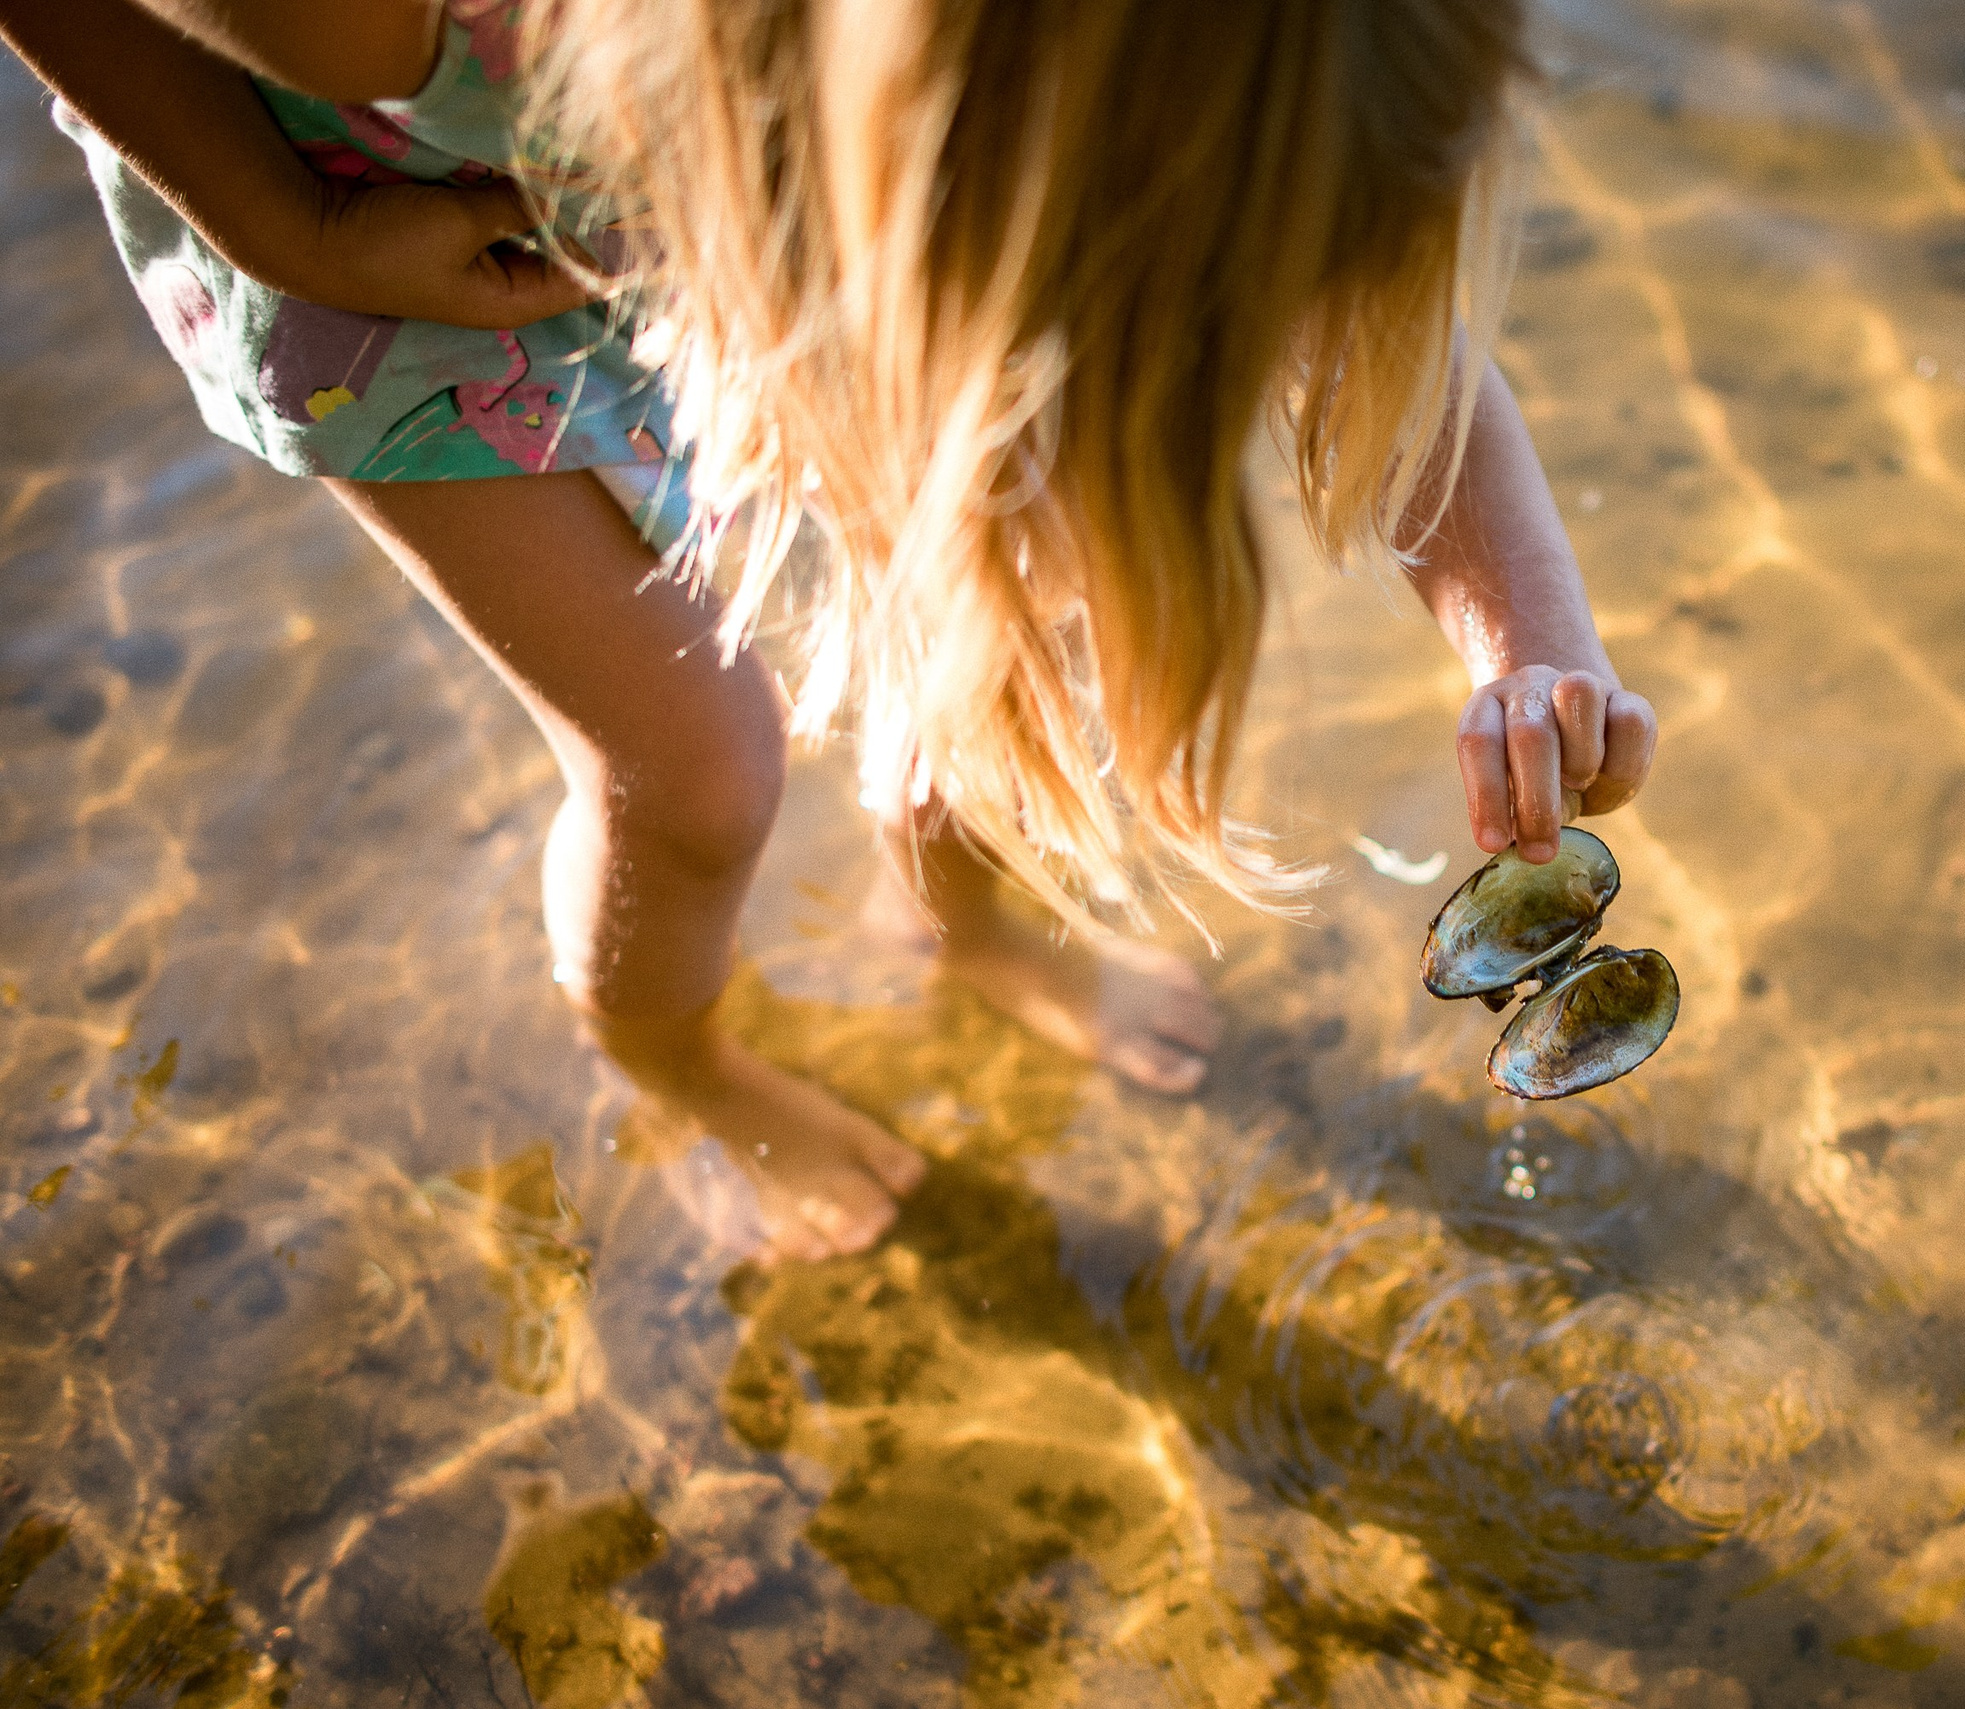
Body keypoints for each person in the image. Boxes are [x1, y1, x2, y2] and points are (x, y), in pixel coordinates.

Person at [1, 0, 1658, 1259]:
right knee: (696, 775)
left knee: (1024, 612)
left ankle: (977, 930)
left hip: (771, 187)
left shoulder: (1221, 70)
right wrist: (279, 224)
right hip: (401, 238)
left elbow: (1404, 368)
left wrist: (1533, 642)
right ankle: (687, 1069)